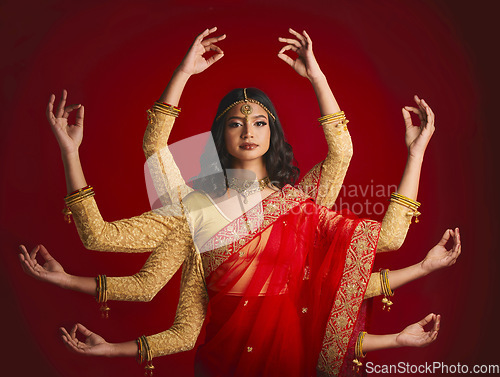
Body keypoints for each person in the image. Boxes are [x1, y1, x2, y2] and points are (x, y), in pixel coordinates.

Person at [18, 27, 460, 376]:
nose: (248, 130)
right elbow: (112, 242)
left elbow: (375, 208)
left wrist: (413, 150)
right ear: (220, 136)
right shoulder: (195, 208)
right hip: (219, 367)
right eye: (235, 123)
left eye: (259, 122)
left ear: (272, 134)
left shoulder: (299, 205)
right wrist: (71, 152)